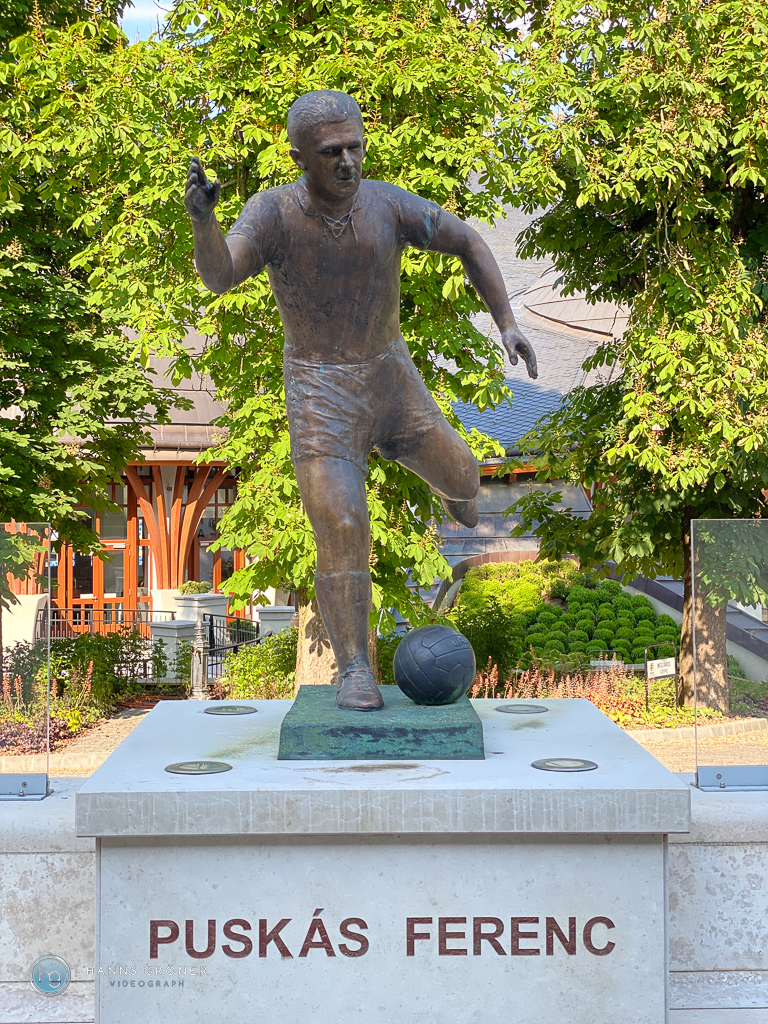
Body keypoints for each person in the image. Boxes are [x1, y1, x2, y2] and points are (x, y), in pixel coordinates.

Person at [185, 90, 537, 712]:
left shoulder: (387, 203)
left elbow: (470, 242)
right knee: (344, 527)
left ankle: (456, 491)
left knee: (465, 474)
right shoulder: (272, 214)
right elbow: (220, 274)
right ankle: (354, 670)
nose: (347, 161)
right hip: (320, 390)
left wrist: (506, 322)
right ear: (299, 156)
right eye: (330, 152)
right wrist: (203, 223)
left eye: (355, 146)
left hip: (390, 379)